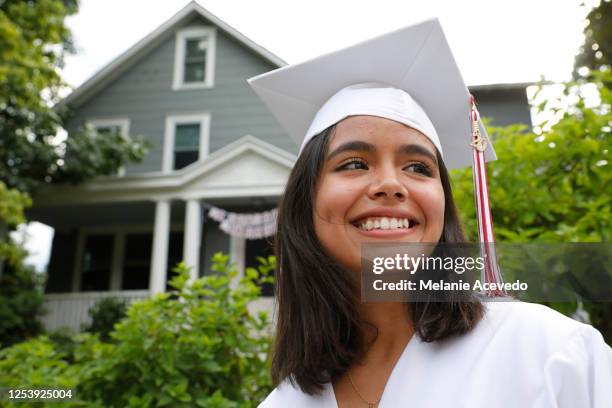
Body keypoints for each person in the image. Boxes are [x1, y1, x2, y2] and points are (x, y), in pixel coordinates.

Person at [247, 18, 612, 407]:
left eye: (418, 167)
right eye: (354, 164)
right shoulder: (285, 402)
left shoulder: (549, 355)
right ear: (306, 202)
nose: (391, 184)